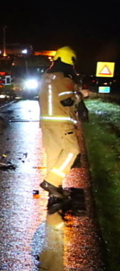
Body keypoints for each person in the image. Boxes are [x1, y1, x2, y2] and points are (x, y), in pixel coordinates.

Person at [38, 46, 87, 209]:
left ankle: (55, 194)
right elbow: (67, 101)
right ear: (70, 60)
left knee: (54, 156)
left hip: (46, 123)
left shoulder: (45, 77)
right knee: (73, 150)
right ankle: (51, 182)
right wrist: (81, 95)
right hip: (61, 123)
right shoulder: (64, 78)